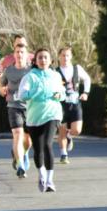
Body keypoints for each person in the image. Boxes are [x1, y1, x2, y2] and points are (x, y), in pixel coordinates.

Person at [18, 48, 64, 192]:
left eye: (46, 58)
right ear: (35, 61)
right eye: (40, 58)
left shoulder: (56, 76)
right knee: (38, 149)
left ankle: (50, 180)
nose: (43, 60)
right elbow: (22, 95)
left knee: (48, 145)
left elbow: (62, 94)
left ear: (50, 61)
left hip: (53, 114)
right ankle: (42, 173)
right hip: (34, 118)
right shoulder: (30, 77)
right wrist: (36, 92)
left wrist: (58, 95)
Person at [0, 35, 33, 178]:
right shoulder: (9, 70)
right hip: (13, 107)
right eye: (17, 52)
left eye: (22, 52)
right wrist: (2, 90)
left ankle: (22, 153)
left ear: (27, 55)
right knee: (18, 135)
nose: (19, 55)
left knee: (29, 140)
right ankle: (20, 166)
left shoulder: (32, 70)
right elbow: (1, 84)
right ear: (14, 54)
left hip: (30, 108)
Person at [55, 46, 91, 164]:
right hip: (61, 104)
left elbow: (87, 79)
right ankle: (63, 155)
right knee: (62, 130)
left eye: (67, 55)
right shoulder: (55, 72)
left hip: (75, 102)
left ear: (71, 57)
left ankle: (70, 136)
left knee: (77, 130)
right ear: (59, 57)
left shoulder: (77, 68)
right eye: (63, 55)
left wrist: (85, 93)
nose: (65, 58)